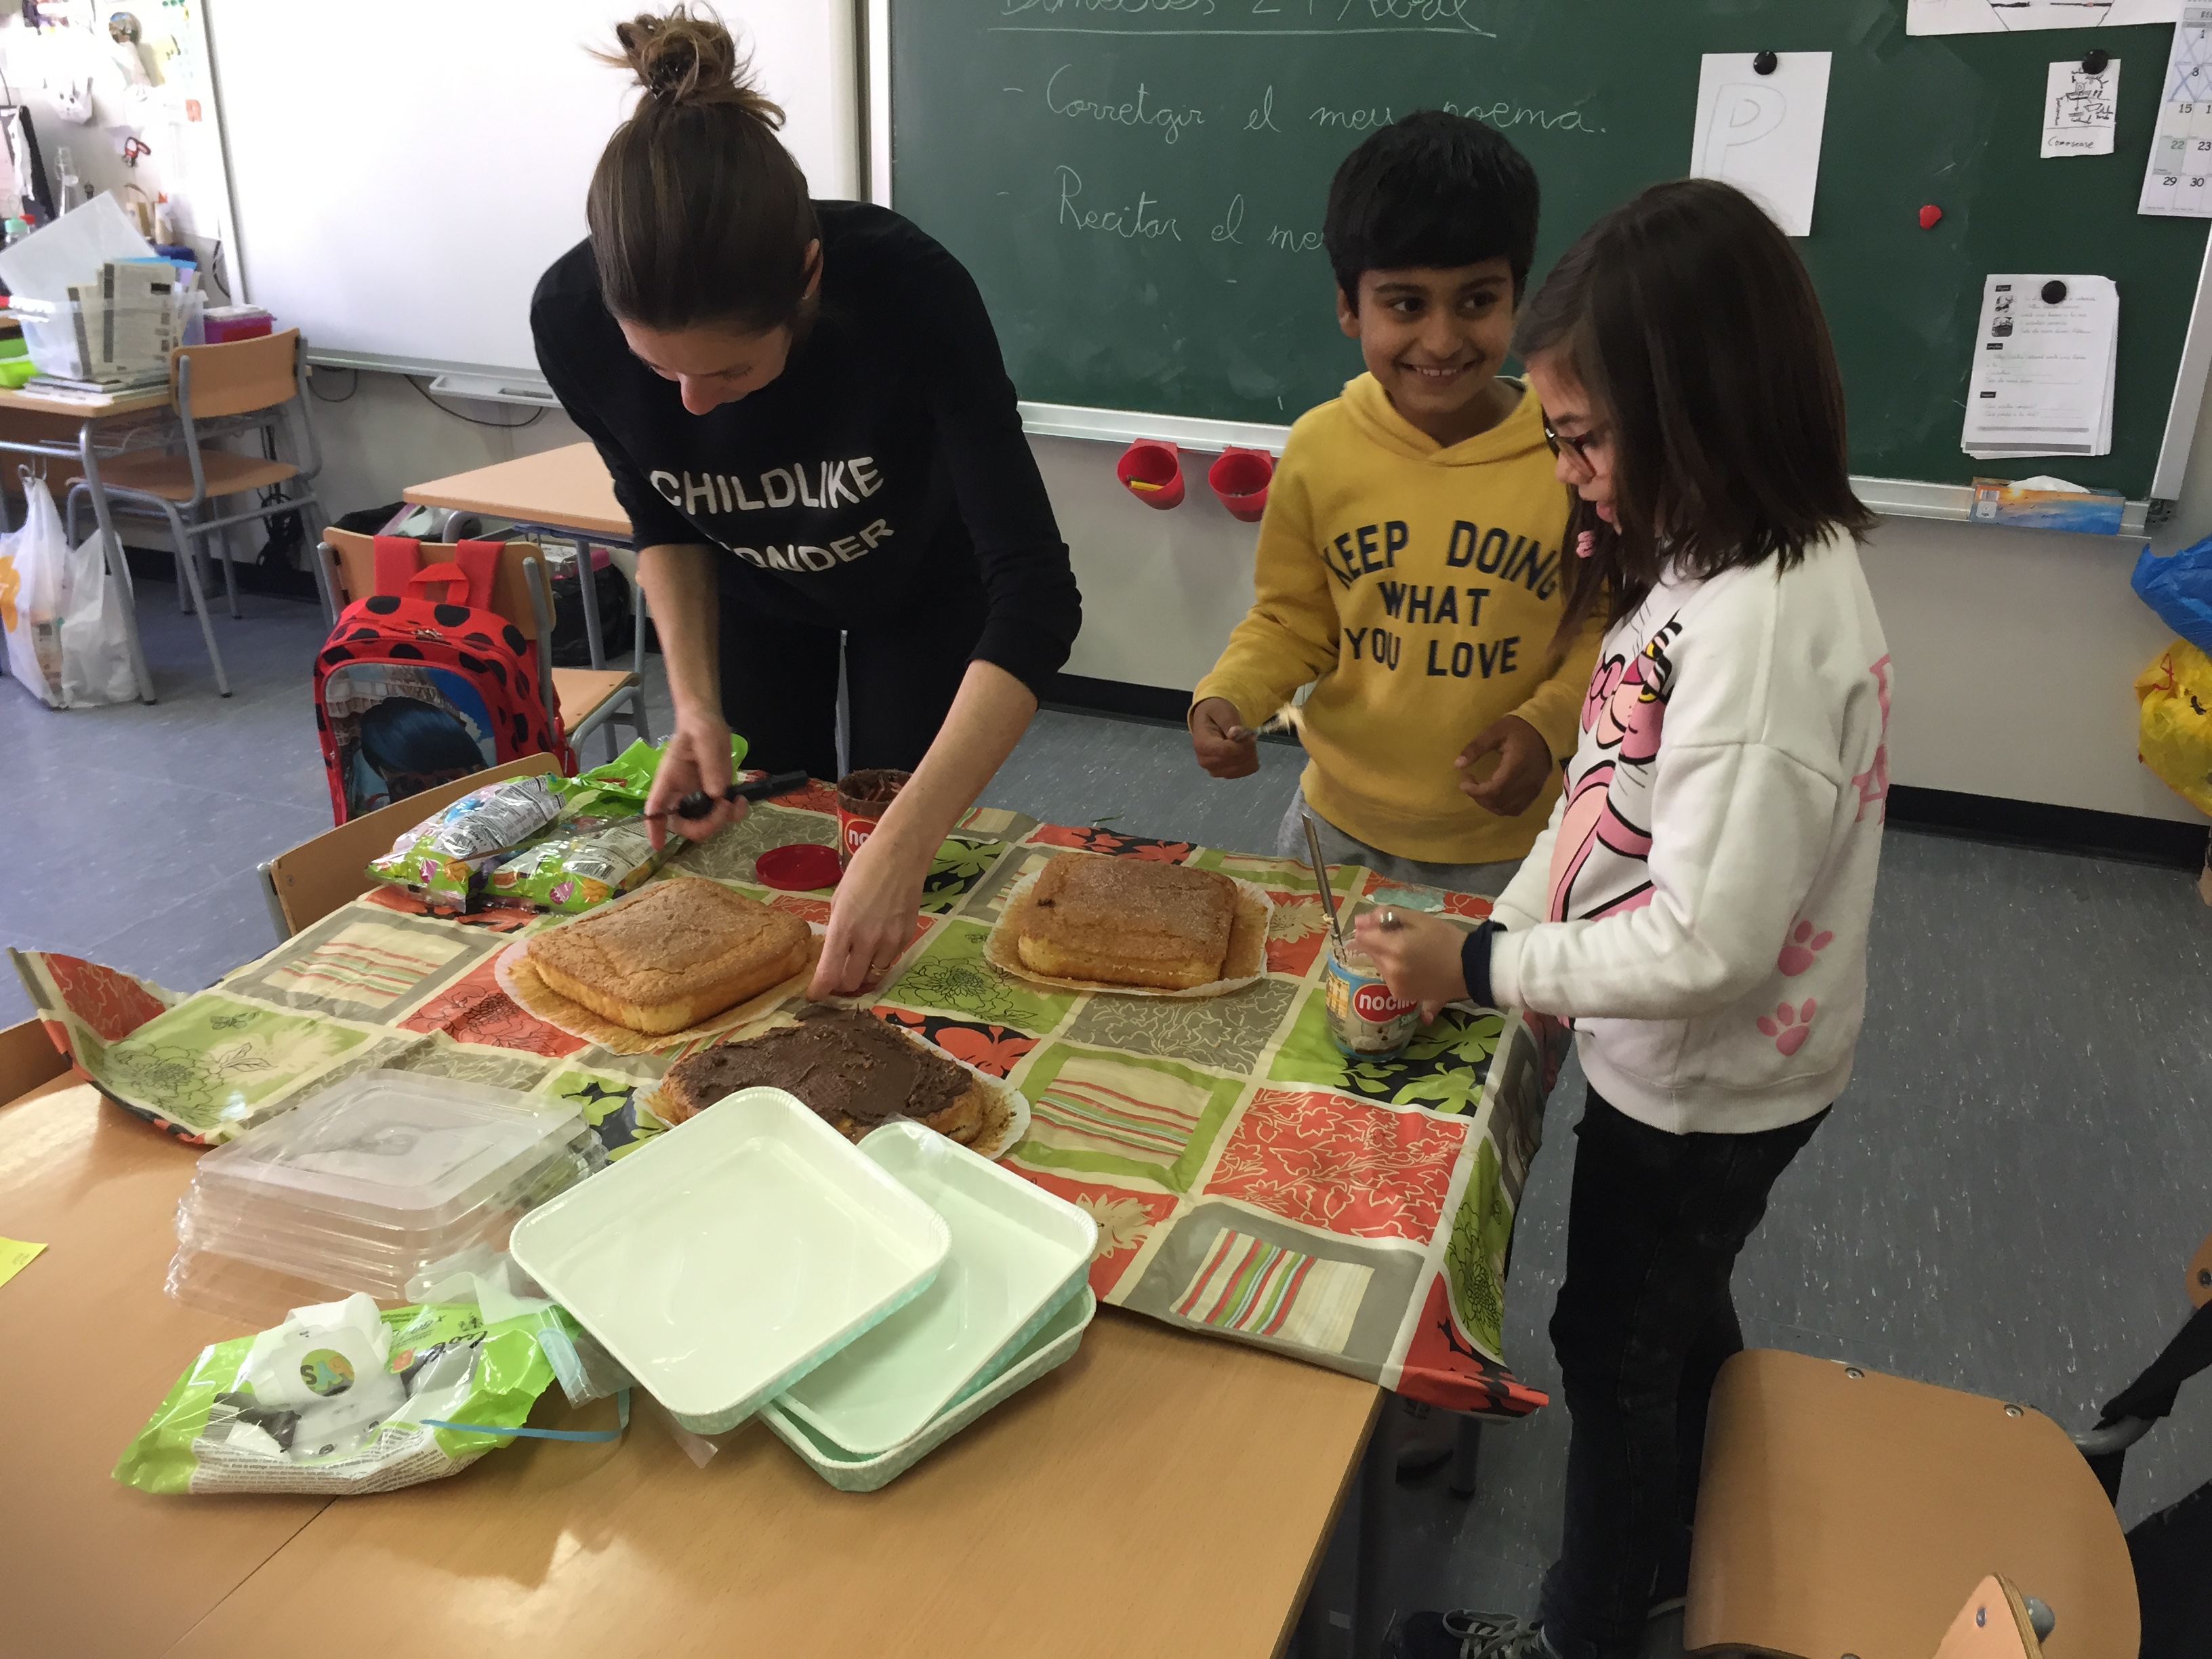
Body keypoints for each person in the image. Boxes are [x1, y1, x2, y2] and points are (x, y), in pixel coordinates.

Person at [1355, 179, 1890, 1659]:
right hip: (1684, 1054)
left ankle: (1587, 1630)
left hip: (1710, 1078)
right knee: (1672, 1307)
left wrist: (1487, 962)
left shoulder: (1762, 641)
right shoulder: (1701, 569)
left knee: (1610, 1350)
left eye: (1585, 439)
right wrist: (1505, 933)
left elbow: (1707, 944)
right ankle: (1704, 1535)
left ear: (1699, 411)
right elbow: (1601, 791)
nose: (1569, 472)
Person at [532, 7, 1081, 997]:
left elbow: (1037, 593)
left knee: (895, 861)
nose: (692, 404)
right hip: (750, 595)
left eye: (731, 371)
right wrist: (693, 707)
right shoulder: (569, 319)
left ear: (808, 280)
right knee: (759, 862)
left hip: (922, 582)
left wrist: (909, 836)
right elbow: (664, 517)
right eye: (659, 370)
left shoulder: (909, 288)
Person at [1187, 112, 1601, 896]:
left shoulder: (1573, 454)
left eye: (1476, 301)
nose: (1441, 340)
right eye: (1406, 305)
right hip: (1337, 826)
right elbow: (1292, 620)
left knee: (1499, 985)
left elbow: (1604, 628)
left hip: (1517, 842)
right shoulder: (1320, 449)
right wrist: (1229, 692)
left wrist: (1545, 725)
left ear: (1518, 296)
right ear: (1350, 306)